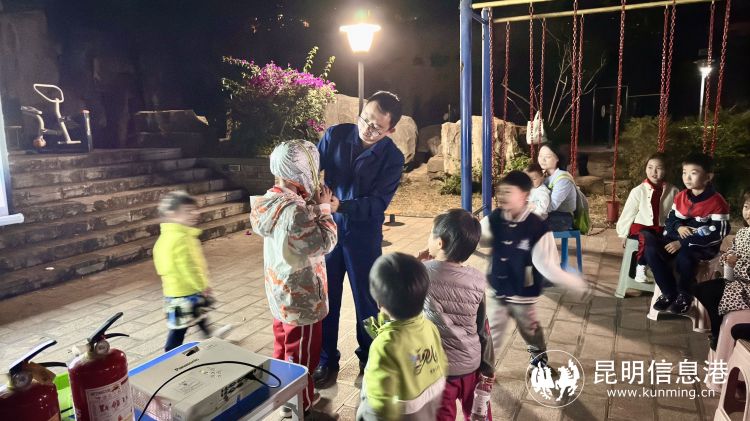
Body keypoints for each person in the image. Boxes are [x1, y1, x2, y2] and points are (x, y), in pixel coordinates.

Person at [315, 91, 406, 388]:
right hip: (328, 231)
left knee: (367, 301)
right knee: (326, 299)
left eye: (376, 127)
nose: (367, 128)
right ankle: (326, 360)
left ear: (391, 130)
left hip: (363, 236)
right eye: (365, 119)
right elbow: (312, 169)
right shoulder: (335, 136)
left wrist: (342, 205)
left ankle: (370, 358)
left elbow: (378, 203)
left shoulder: (392, 158)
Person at [249, 140, 338, 416]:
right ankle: (299, 403)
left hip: (281, 293)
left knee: (282, 346)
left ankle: (280, 393)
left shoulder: (271, 201)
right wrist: (325, 210)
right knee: (302, 356)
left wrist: (315, 207)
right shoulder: (294, 210)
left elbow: (295, 229)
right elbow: (322, 242)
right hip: (302, 299)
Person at [480, 171, 588, 367]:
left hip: (523, 291)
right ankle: (486, 369)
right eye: (500, 192)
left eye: (508, 192)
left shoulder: (536, 227)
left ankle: (538, 355)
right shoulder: (495, 218)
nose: (502, 196)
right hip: (497, 285)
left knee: (528, 327)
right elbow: (477, 235)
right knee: (493, 329)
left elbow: (548, 266)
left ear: (524, 195)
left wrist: (574, 283)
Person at [418, 209, 495, 421]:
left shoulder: (422, 273)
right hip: (472, 365)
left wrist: (417, 260)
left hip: (438, 371)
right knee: (479, 413)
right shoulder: (477, 280)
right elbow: (483, 328)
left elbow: (393, 291)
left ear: (439, 243)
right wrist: (488, 367)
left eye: (431, 233)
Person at [356, 252, 448, 421]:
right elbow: (442, 365)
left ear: (379, 302)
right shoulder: (430, 328)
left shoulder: (385, 345)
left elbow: (379, 405)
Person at [644, 152, 730, 315]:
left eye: (693, 173)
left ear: (708, 177)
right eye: (684, 173)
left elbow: (718, 232)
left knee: (685, 256)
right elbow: (671, 220)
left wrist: (682, 243)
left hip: (701, 246)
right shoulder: (681, 196)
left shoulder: (717, 202)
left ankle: (685, 295)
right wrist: (678, 227)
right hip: (677, 238)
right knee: (651, 250)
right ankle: (669, 292)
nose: (687, 177)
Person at [153, 191, 232, 352]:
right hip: (187, 292)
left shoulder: (166, 236)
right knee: (179, 328)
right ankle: (170, 352)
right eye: (188, 211)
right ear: (173, 214)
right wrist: (202, 286)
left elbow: (161, 265)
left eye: (194, 210)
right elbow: (189, 267)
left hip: (174, 291)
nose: (194, 214)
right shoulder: (181, 238)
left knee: (199, 315)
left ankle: (211, 335)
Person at [695, 191, 750, 349]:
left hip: (747, 288)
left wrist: (737, 262)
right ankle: (718, 327)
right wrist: (727, 258)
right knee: (700, 289)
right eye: (746, 207)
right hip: (737, 281)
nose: (748, 212)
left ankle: (719, 332)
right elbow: (733, 253)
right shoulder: (742, 232)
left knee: (712, 293)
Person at [615, 153, 679, 282]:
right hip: (641, 228)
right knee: (647, 237)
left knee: (666, 243)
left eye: (659, 168)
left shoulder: (673, 191)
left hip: (661, 229)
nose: (653, 172)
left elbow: (677, 213)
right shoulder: (638, 191)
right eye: (650, 167)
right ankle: (641, 266)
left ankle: (664, 273)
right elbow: (629, 213)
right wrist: (623, 233)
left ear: (666, 170)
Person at [537, 144, 577, 231]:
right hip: (547, 213)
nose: (542, 160)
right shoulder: (543, 175)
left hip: (562, 218)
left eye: (548, 157)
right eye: (540, 156)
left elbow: (553, 205)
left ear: (557, 158)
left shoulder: (562, 179)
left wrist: (531, 208)